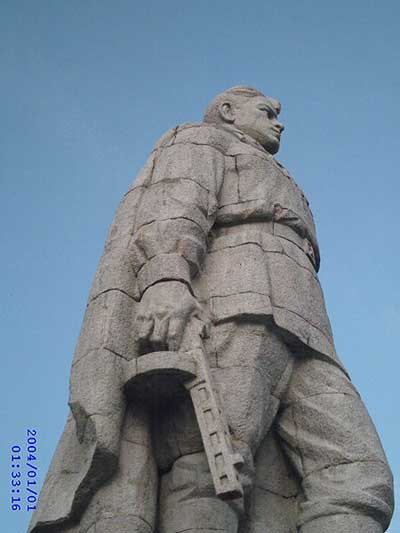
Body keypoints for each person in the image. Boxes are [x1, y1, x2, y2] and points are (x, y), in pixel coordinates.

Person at [30, 87, 394, 533]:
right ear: (227, 112)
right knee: (214, 460)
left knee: (359, 476)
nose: (279, 122)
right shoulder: (201, 140)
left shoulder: (275, 170)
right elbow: (174, 204)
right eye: (268, 112)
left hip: (307, 329)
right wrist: (166, 279)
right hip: (238, 301)